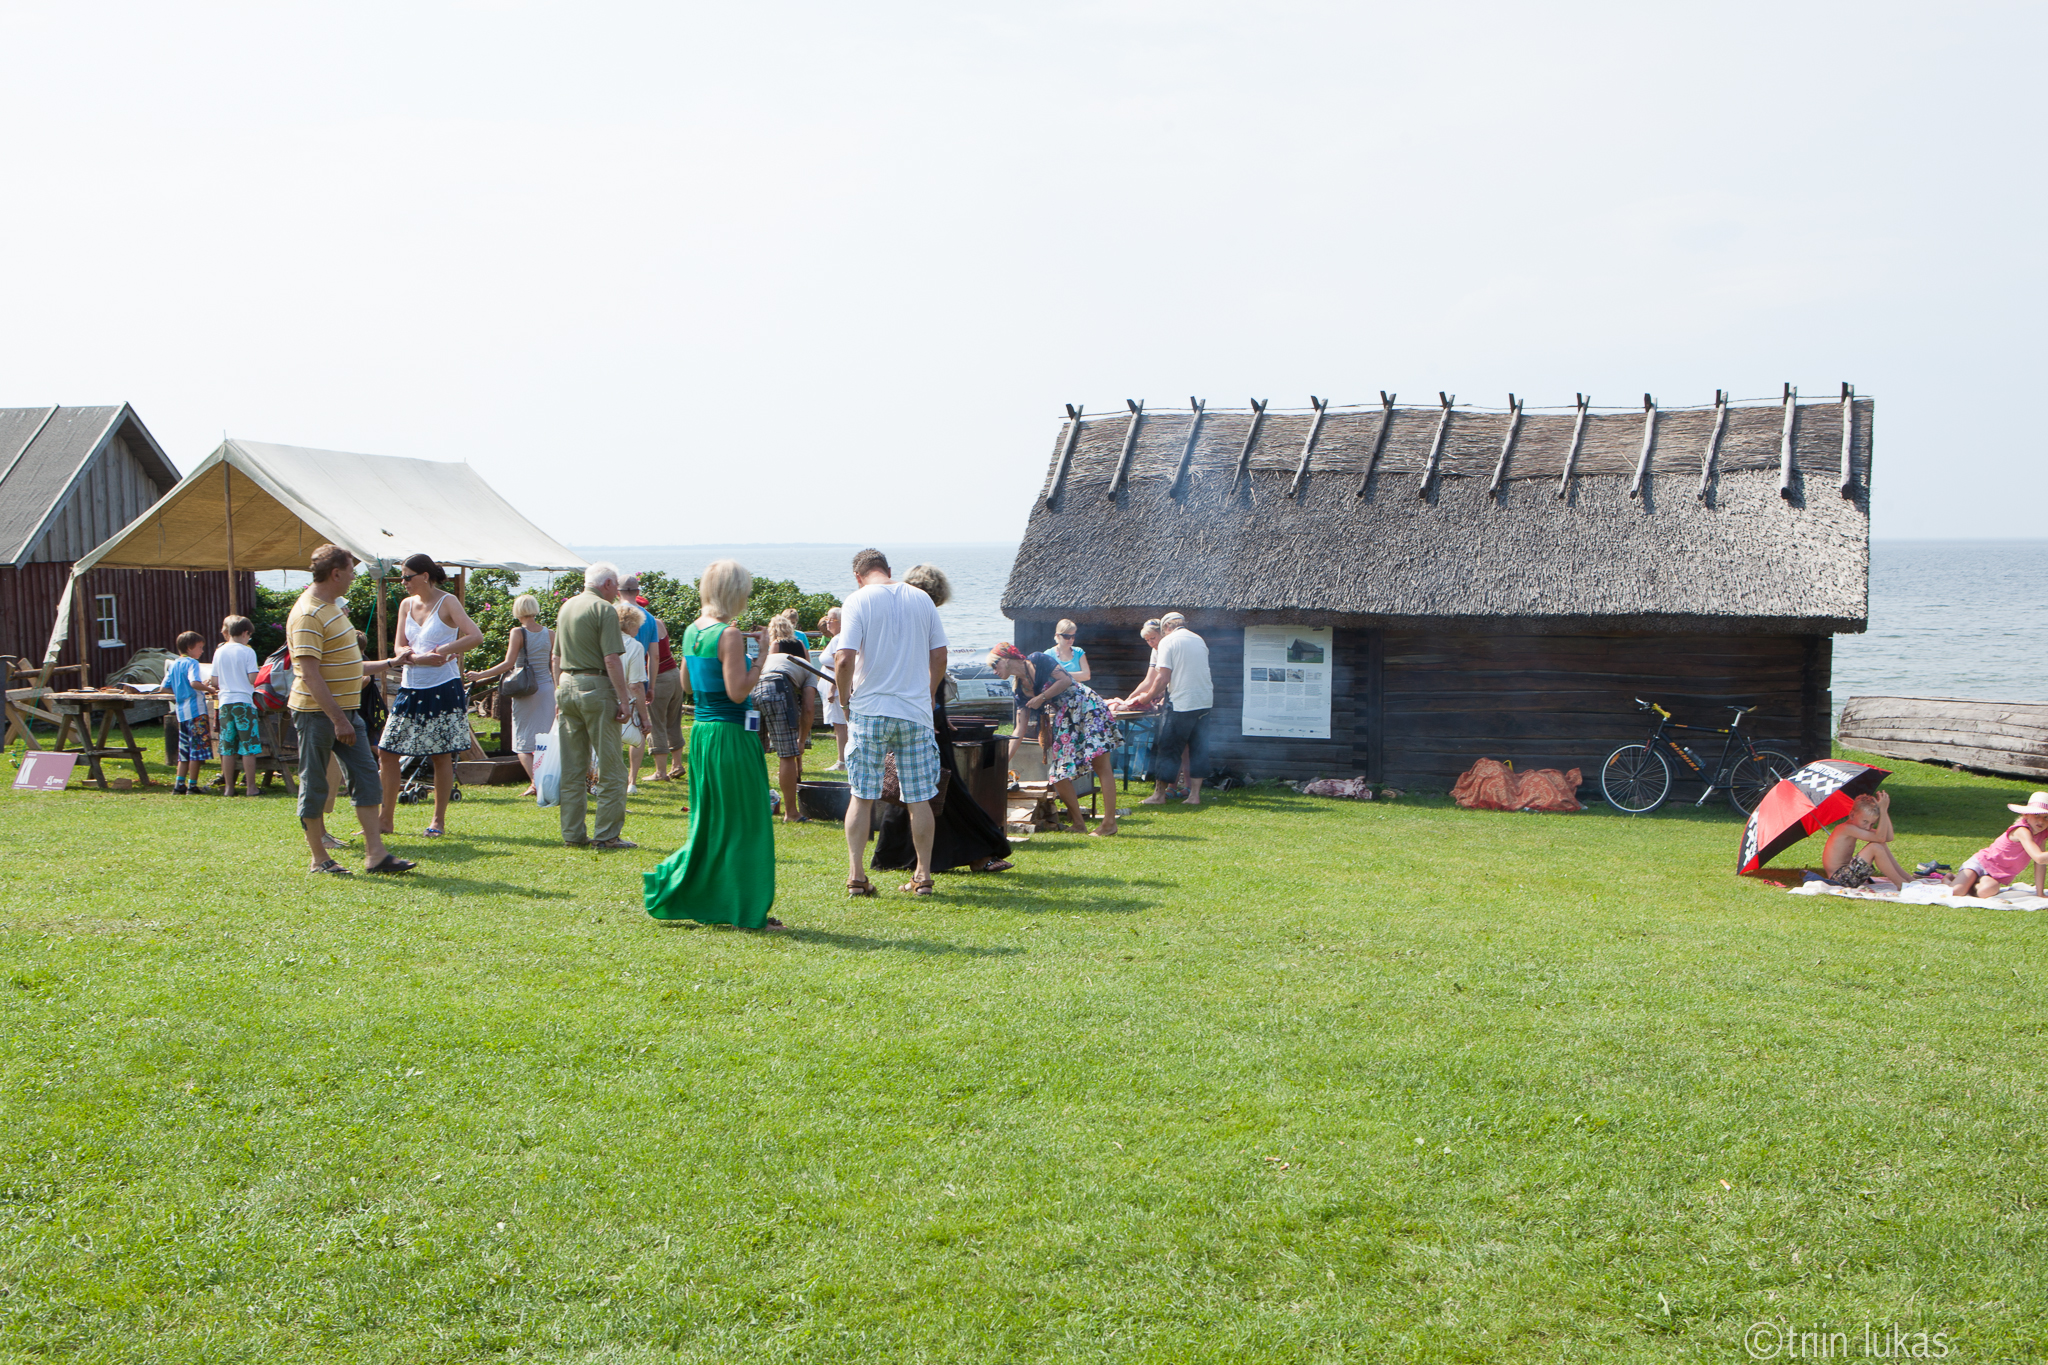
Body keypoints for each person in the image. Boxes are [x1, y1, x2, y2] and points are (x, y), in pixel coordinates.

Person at [643, 559, 781, 929]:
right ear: (734, 593)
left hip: (703, 733)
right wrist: (763, 656)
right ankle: (745, 908)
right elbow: (738, 693)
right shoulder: (729, 634)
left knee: (712, 819)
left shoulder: (691, 631)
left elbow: (688, 684)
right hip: (731, 734)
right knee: (746, 821)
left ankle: (715, 897)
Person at [874, 565, 1014, 874]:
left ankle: (893, 854)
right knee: (944, 789)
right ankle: (979, 854)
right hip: (923, 715)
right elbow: (935, 665)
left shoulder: (896, 621)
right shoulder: (924, 618)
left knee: (908, 785)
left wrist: (940, 711)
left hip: (909, 712)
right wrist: (934, 711)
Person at [287, 545, 411, 875]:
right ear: (336, 574)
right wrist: (338, 719)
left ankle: (376, 855)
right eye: (351, 572)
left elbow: (350, 664)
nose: (354, 578)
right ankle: (319, 859)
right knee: (314, 783)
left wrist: (389, 663)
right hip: (318, 714)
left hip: (346, 713)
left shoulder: (332, 610)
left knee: (368, 777)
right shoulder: (309, 614)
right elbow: (310, 674)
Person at [834, 549, 947, 897]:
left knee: (861, 795)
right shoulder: (922, 599)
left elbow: (843, 658)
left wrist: (843, 699)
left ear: (858, 575)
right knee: (919, 798)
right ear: (887, 570)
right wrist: (928, 693)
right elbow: (939, 654)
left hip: (870, 709)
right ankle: (923, 876)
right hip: (913, 711)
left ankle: (856, 876)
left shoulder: (857, 600)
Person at [377, 553, 484, 839]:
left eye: (407, 577)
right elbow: (399, 646)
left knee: (441, 754)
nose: (403, 582)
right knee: (387, 750)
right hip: (410, 686)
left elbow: (475, 636)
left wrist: (445, 650)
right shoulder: (405, 605)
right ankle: (384, 820)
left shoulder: (448, 602)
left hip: (443, 687)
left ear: (425, 576)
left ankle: (438, 821)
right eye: (402, 577)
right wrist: (415, 658)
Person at [988, 640, 1120, 837]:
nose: (994, 671)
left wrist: (1041, 697)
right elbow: (1019, 730)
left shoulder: (1037, 659)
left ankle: (1109, 824)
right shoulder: (1020, 692)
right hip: (1066, 719)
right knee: (1058, 774)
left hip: (1087, 707)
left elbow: (1066, 680)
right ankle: (1078, 823)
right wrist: (1003, 761)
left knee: (1101, 764)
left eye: (994, 665)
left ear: (1006, 659)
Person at [552, 561, 637, 850]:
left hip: (566, 685)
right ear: (609, 584)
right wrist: (624, 699)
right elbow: (611, 659)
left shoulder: (567, 607)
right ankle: (606, 835)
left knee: (573, 767)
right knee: (612, 766)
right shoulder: (604, 610)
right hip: (596, 686)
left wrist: (558, 691)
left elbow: (555, 657)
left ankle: (572, 834)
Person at [464, 593, 554, 796]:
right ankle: (544, 780)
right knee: (544, 738)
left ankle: (536, 782)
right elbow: (555, 662)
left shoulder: (518, 632)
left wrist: (480, 675)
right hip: (547, 688)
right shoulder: (550, 634)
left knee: (522, 740)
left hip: (525, 689)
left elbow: (508, 663)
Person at [1144, 612, 1213, 807]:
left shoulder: (1168, 641)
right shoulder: (1199, 639)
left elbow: (1163, 677)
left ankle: (1159, 795)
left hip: (1182, 703)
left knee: (1168, 748)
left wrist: (1147, 697)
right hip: (1204, 701)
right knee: (1199, 749)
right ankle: (1194, 796)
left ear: (1166, 628)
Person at [759, 635, 818, 823]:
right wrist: (800, 742)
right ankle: (791, 813)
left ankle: (753, 807)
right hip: (777, 688)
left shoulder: (770, 658)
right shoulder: (808, 669)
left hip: (751, 691)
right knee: (787, 754)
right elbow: (808, 708)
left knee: (753, 751)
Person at [1949, 792, 2048, 899]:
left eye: (2046, 817)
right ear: (2026, 815)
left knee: (1987, 891)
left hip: (1995, 874)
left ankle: (1971, 881)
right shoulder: (2022, 830)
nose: (2041, 821)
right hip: (1981, 862)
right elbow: (2039, 858)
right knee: (1957, 892)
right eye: (2036, 815)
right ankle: (1949, 878)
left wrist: (2040, 893)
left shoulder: (2042, 834)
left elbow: (2040, 863)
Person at [212, 615, 264, 798]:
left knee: (227, 747)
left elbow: (214, 680)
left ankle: (229, 788)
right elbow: (252, 679)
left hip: (225, 703)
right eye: (249, 635)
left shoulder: (219, 651)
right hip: (244, 702)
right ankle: (251, 787)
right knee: (248, 746)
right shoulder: (247, 651)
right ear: (244, 633)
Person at [1821, 791, 1906, 888]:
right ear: (1852, 815)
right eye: (1865, 821)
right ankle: (1900, 883)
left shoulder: (1855, 827)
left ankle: (1906, 878)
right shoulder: (1846, 828)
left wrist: (1884, 812)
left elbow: (1888, 837)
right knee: (1875, 847)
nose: (1867, 827)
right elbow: (1881, 837)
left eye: (1872, 824)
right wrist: (1882, 809)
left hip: (1847, 875)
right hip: (1839, 879)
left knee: (1880, 844)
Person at [615, 600, 656, 794]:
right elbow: (636, 685)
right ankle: (631, 781)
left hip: (605, 698)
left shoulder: (602, 642)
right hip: (628, 700)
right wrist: (645, 717)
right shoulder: (635, 646)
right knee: (638, 735)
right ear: (631, 624)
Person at [165, 631, 213, 795]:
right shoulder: (192, 662)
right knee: (197, 750)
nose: (202, 651)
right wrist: (208, 688)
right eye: (200, 647)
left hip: (181, 712)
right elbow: (194, 682)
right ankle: (192, 785)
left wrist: (180, 691)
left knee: (184, 749)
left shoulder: (174, 664)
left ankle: (179, 784)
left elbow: (163, 687)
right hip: (196, 711)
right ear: (190, 648)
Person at [817, 606, 850, 770]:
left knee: (840, 725)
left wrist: (831, 688)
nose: (827, 622)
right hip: (833, 687)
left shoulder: (839, 639)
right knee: (839, 725)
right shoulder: (836, 638)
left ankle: (842, 761)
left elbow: (839, 666)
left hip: (835, 689)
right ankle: (843, 760)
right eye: (827, 619)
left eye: (831, 620)